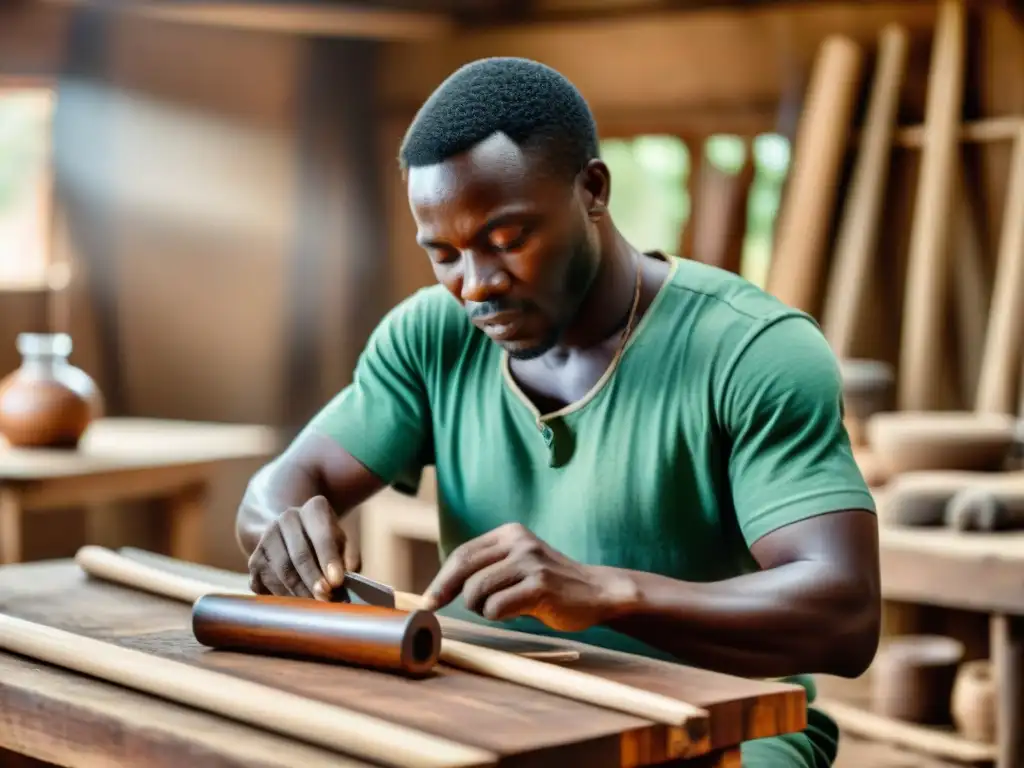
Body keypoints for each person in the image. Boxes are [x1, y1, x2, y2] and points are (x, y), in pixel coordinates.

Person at [235, 56, 881, 767]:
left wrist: (611, 594)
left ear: (594, 190)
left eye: (508, 241)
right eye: (443, 254)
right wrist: (288, 532)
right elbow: (280, 487)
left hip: (720, 728)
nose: (476, 285)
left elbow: (844, 614)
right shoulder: (432, 336)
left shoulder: (750, 350)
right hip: (498, 711)